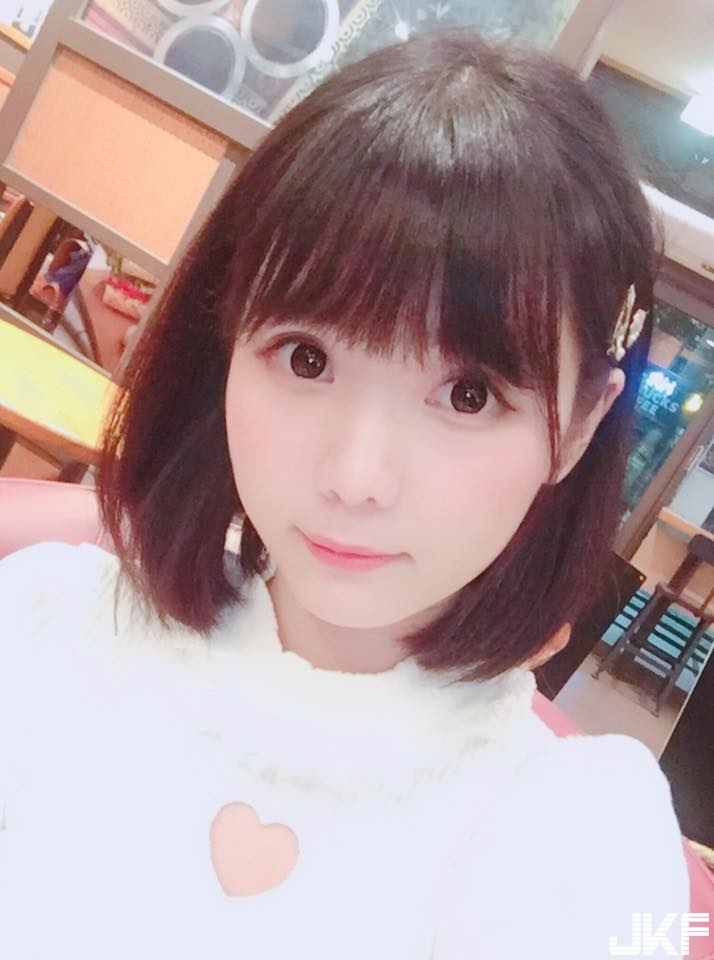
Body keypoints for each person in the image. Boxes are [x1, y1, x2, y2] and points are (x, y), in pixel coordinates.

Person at [0, 28, 692, 960]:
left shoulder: (576, 849)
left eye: (468, 395)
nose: (355, 478)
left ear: (576, 425)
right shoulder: (45, 629)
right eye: (306, 358)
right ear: (226, 340)